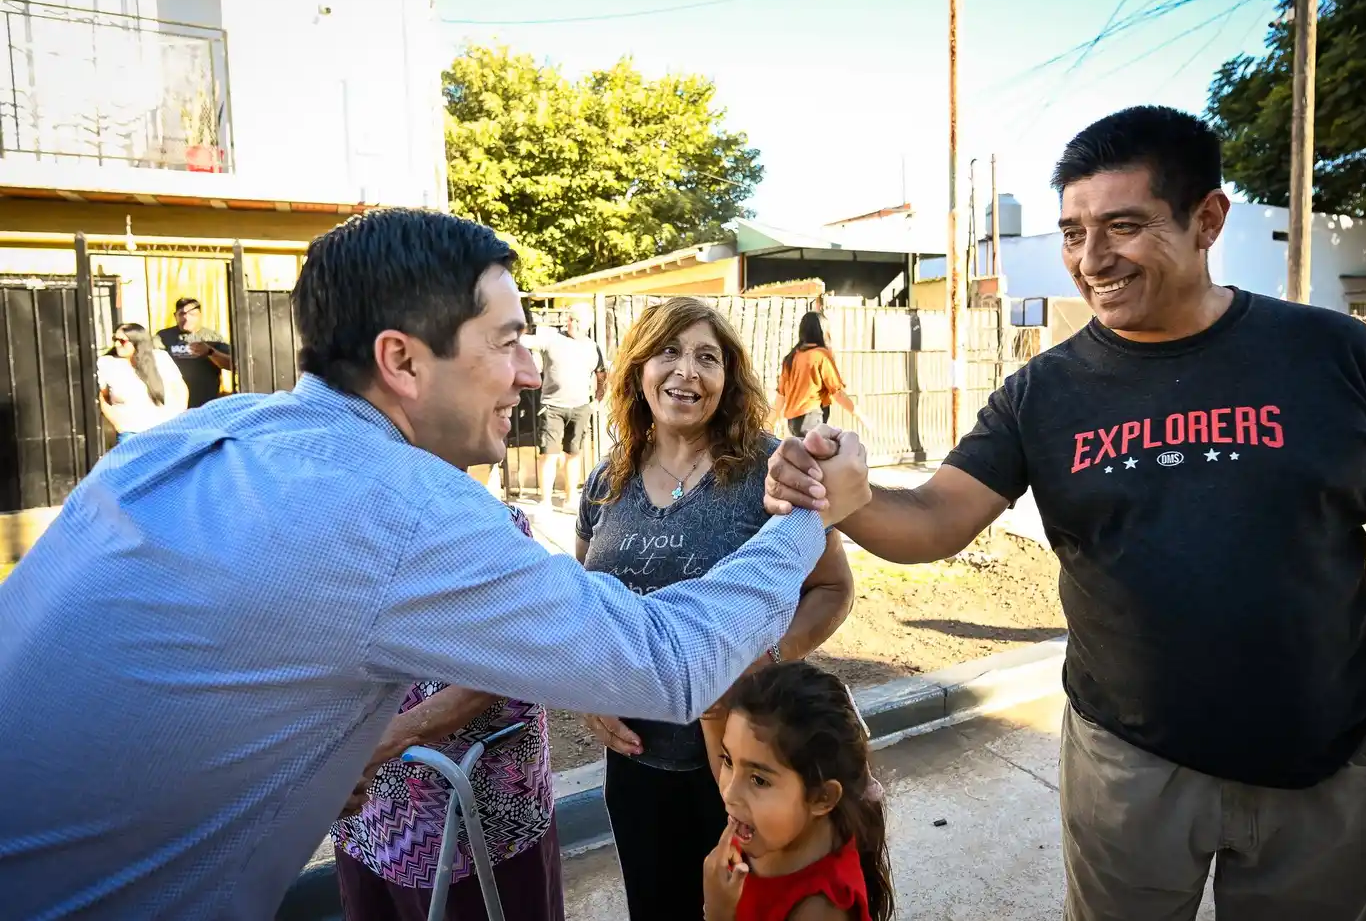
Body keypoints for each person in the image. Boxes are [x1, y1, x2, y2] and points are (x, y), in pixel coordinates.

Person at [0, 208, 872, 920]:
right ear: (403, 361)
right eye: (507, 341)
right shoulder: (404, 507)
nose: (529, 373)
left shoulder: (185, 440)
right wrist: (812, 510)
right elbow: (666, 662)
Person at [765, 106, 1366, 918]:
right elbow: (937, 517)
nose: (1092, 259)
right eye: (1073, 232)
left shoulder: (1341, 357)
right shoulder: (1043, 392)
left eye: (1124, 225)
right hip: (1127, 766)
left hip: (1330, 769)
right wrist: (848, 497)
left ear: (1207, 220)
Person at [575, 296, 855, 921]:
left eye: (707, 358)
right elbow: (587, 611)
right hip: (637, 765)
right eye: (668, 353)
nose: (686, 372)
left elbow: (833, 588)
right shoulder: (606, 480)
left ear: (727, 379)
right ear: (639, 369)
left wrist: (767, 657)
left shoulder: (768, 472)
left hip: (748, 766)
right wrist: (587, 688)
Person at [330, 501, 563, 921]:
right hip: (365, 815)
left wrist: (386, 738)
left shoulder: (490, 529)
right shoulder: (333, 537)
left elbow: (508, 665)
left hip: (479, 814)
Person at [702, 661, 893, 921]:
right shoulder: (771, 830)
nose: (729, 794)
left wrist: (717, 914)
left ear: (821, 797)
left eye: (759, 780)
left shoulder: (820, 910)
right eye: (728, 761)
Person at [525, 303, 607, 511]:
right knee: (549, 454)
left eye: (578, 320)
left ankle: (570, 499)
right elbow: (525, 340)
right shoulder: (551, 339)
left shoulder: (592, 347)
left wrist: (597, 401)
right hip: (552, 407)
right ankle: (545, 502)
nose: (573, 323)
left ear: (587, 324)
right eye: (571, 319)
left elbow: (601, 375)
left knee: (574, 454)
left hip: (580, 408)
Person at [773, 312, 869, 437]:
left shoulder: (791, 357)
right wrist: (861, 417)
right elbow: (837, 393)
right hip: (811, 418)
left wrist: (768, 424)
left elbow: (780, 396)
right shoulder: (821, 355)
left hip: (793, 422)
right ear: (822, 331)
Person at [98, 322, 189, 444]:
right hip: (130, 432)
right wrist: (117, 424)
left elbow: (179, 388)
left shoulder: (160, 358)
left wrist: (180, 415)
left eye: (122, 341)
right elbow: (102, 397)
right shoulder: (107, 363)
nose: (117, 344)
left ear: (137, 341)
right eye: (115, 339)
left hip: (166, 429)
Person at [156, 295, 234, 407]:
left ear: (200, 316)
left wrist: (210, 352)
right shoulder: (163, 337)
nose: (186, 318)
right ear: (175, 316)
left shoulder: (212, 337)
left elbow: (233, 365)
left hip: (205, 404)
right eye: (182, 314)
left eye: (192, 314)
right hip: (174, 403)